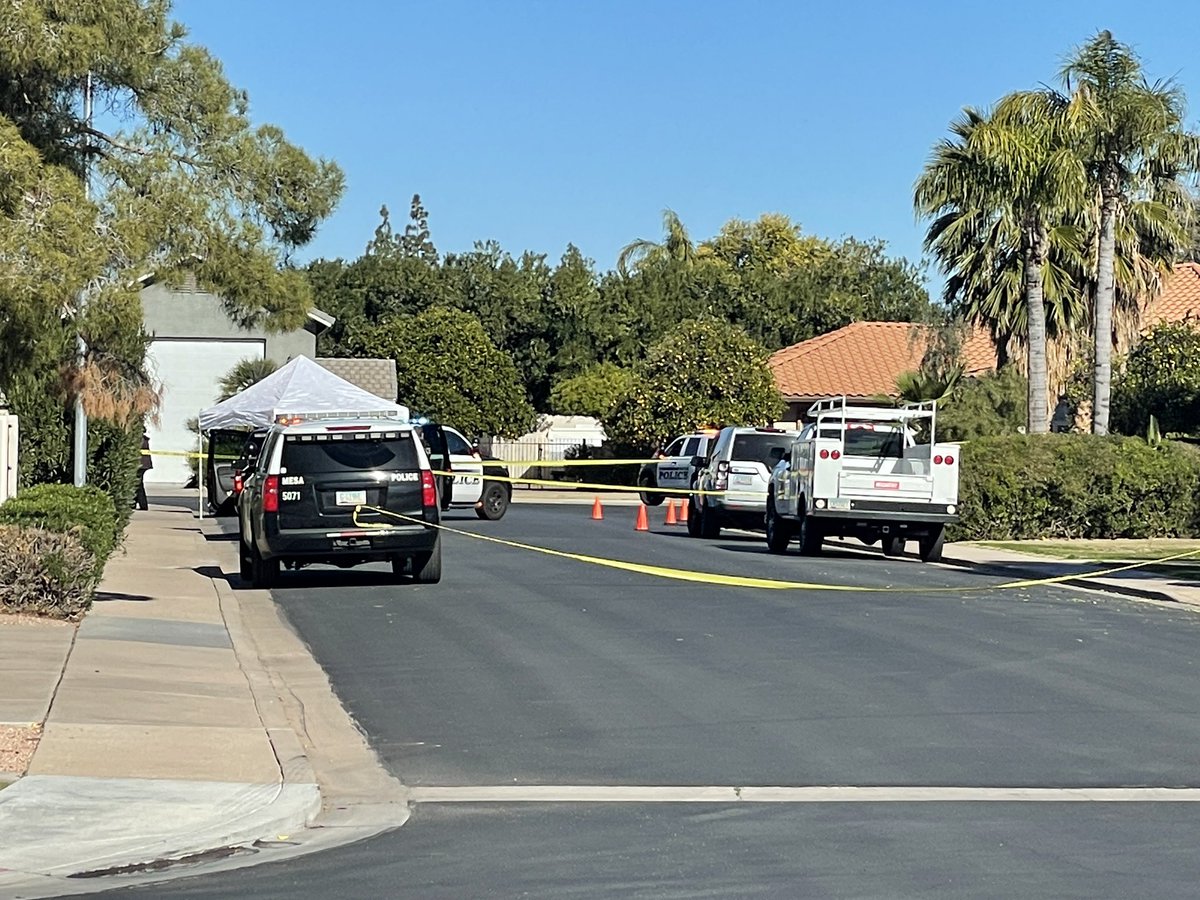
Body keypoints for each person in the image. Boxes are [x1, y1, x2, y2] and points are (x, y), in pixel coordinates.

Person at [135, 431, 152, 511]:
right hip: (144, 464)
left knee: (138, 485)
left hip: (140, 465)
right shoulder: (144, 439)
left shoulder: (139, 439)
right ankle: (134, 503)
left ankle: (143, 505)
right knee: (136, 484)